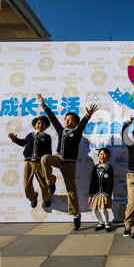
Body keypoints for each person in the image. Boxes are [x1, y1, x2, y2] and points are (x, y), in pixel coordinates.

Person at [37, 93, 98, 230]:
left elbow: (82, 125)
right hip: (58, 158)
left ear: (75, 123)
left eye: (71, 120)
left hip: (69, 164)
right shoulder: (60, 130)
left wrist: (87, 116)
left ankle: (76, 214)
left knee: (71, 190)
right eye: (66, 119)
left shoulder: (76, 133)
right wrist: (43, 105)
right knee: (45, 158)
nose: (67, 121)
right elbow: (53, 119)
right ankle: (51, 182)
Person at [8, 115, 53, 208]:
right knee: (26, 184)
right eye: (38, 123)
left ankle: (47, 199)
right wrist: (14, 139)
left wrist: (48, 162)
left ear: (46, 127)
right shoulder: (30, 135)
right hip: (28, 162)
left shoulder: (47, 137)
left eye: (43, 124)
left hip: (40, 162)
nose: (40, 125)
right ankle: (33, 198)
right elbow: (22, 143)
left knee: (44, 184)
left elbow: (49, 151)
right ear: (35, 125)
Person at [88, 148, 114, 232]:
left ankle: (107, 223)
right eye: (100, 154)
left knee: (103, 209)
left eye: (104, 154)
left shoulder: (109, 167)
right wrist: (91, 194)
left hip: (104, 193)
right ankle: (100, 222)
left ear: (108, 156)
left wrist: (107, 194)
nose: (101, 156)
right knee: (94, 209)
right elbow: (92, 182)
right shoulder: (95, 167)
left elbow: (110, 182)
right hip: (96, 193)